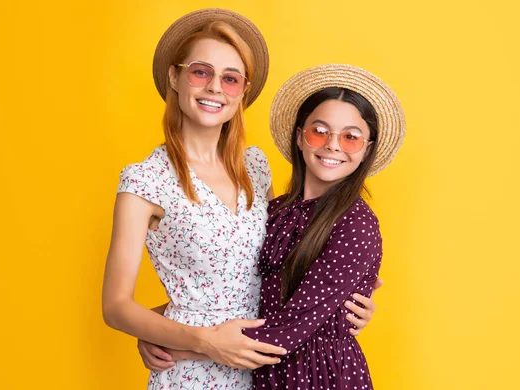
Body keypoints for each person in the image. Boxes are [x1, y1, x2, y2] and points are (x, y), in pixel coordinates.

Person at [102, 9, 380, 390]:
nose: (215, 87)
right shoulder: (146, 181)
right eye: (201, 72)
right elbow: (116, 306)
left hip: (273, 367)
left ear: (242, 92)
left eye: (230, 79)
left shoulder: (255, 167)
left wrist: (345, 300)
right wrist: (188, 338)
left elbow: (257, 274)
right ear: (175, 77)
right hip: (196, 374)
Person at [241, 64, 406, 389]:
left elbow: (290, 330)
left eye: (350, 137)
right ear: (300, 137)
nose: (333, 145)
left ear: (366, 151)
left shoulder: (355, 224)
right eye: (320, 131)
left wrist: (190, 341)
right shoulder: (274, 210)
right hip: (262, 369)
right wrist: (164, 325)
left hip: (319, 375)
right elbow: (234, 288)